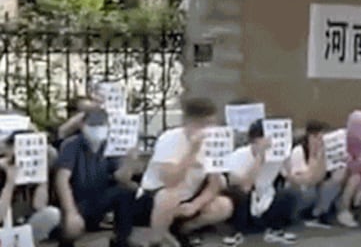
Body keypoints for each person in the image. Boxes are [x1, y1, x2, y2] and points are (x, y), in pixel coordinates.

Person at [136, 97, 234, 246]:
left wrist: (195, 204)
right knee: (168, 197)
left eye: (210, 124)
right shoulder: (169, 139)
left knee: (224, 206)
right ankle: (156, 240)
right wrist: (192, 152)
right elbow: (170, 181)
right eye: (201, 125)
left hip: (190, 195)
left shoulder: (214, 142)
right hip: (156, 196)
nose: (206, 130)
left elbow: (215, 184)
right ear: (187, 122)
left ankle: (186, 229)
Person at [54, 108, 139, 247]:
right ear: (82, 125)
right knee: (70, 230)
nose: (97, 129)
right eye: (93, 125)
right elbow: (62, 179)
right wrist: (71, 213)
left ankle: (121, 240)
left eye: (101, 125)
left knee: (127, 190)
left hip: (98, 199)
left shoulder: (110, 145)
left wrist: (129, 162)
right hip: (77, 202)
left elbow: (121, 178)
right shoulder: (71, 145)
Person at [225, 119, 301, 245]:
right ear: (254, 140)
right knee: (240, 194)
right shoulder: (239, 155)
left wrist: (286, 158)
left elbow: (291, 179)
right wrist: (260, 158)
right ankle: (237, 232)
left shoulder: (276, 156)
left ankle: (274, 230)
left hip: (266, 197)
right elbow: (245, 185)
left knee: (289, 194)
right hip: (246, 200)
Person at [0, 131, 61, 243]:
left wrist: (42, 178)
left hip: (22, 225)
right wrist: (10, 183)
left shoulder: (34, 170)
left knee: (52, 214)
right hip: (3, 227)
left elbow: (39, 205)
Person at [285, 121, 344, 228]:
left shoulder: (328, 152)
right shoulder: (299, 151)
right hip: (301, 190)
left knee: (336, 182)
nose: (319, 141)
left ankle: (318, 213)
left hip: (318, 186)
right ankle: (302, 214)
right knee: (309, 190)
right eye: (316, 137)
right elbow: (307, 179)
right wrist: (314, 156)